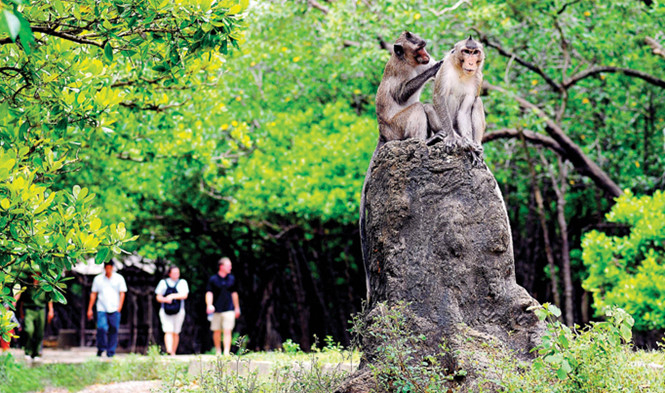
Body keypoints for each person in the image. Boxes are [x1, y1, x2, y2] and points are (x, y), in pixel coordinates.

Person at [87, 260, 127, 358]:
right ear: (104, 268)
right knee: (101, 327)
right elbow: (93, 294)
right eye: (107, 268)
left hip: (114, 308)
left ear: (112, 268)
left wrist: (120, 307)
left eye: (110, 267)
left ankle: (111, 351)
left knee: (114, 329)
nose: (108, 270)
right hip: (102, 307)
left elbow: (122, 293)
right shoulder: (98, 279)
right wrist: (90, 309)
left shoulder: (119, 278)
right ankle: (101, 348)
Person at [205, 257, 240, 356]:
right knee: (216, 331)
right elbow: (209, 293)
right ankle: (218, 350)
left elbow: (234, 294)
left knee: (227, 330)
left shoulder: (232, 279)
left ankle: (226, 352)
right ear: (221, 266)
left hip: (229, 309)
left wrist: (237, 307)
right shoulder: (213, 279)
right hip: (216, 309)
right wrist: (209, 305)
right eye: (228, 266)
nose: (230, 268)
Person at [155, 266, 189, 356]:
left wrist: (173, 296)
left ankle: (173, 351)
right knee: (168, 330)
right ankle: (169, 350)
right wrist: (166, 299)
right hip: (165, 311)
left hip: (179, 310)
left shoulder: (182, 282)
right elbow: (158, 296)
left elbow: (184, 295)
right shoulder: (163, 282)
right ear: (169, 273)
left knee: (176, 331)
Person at [20, 274, 54, 361]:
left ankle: (37, 353)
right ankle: (28, 351)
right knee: (29, 330)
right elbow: (22, 300)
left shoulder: (44, 285)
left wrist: (51, 310)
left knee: (39, 332)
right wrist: (21, 312)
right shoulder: (27, 284)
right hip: (29, 309)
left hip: (41, 309)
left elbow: (49, 298)